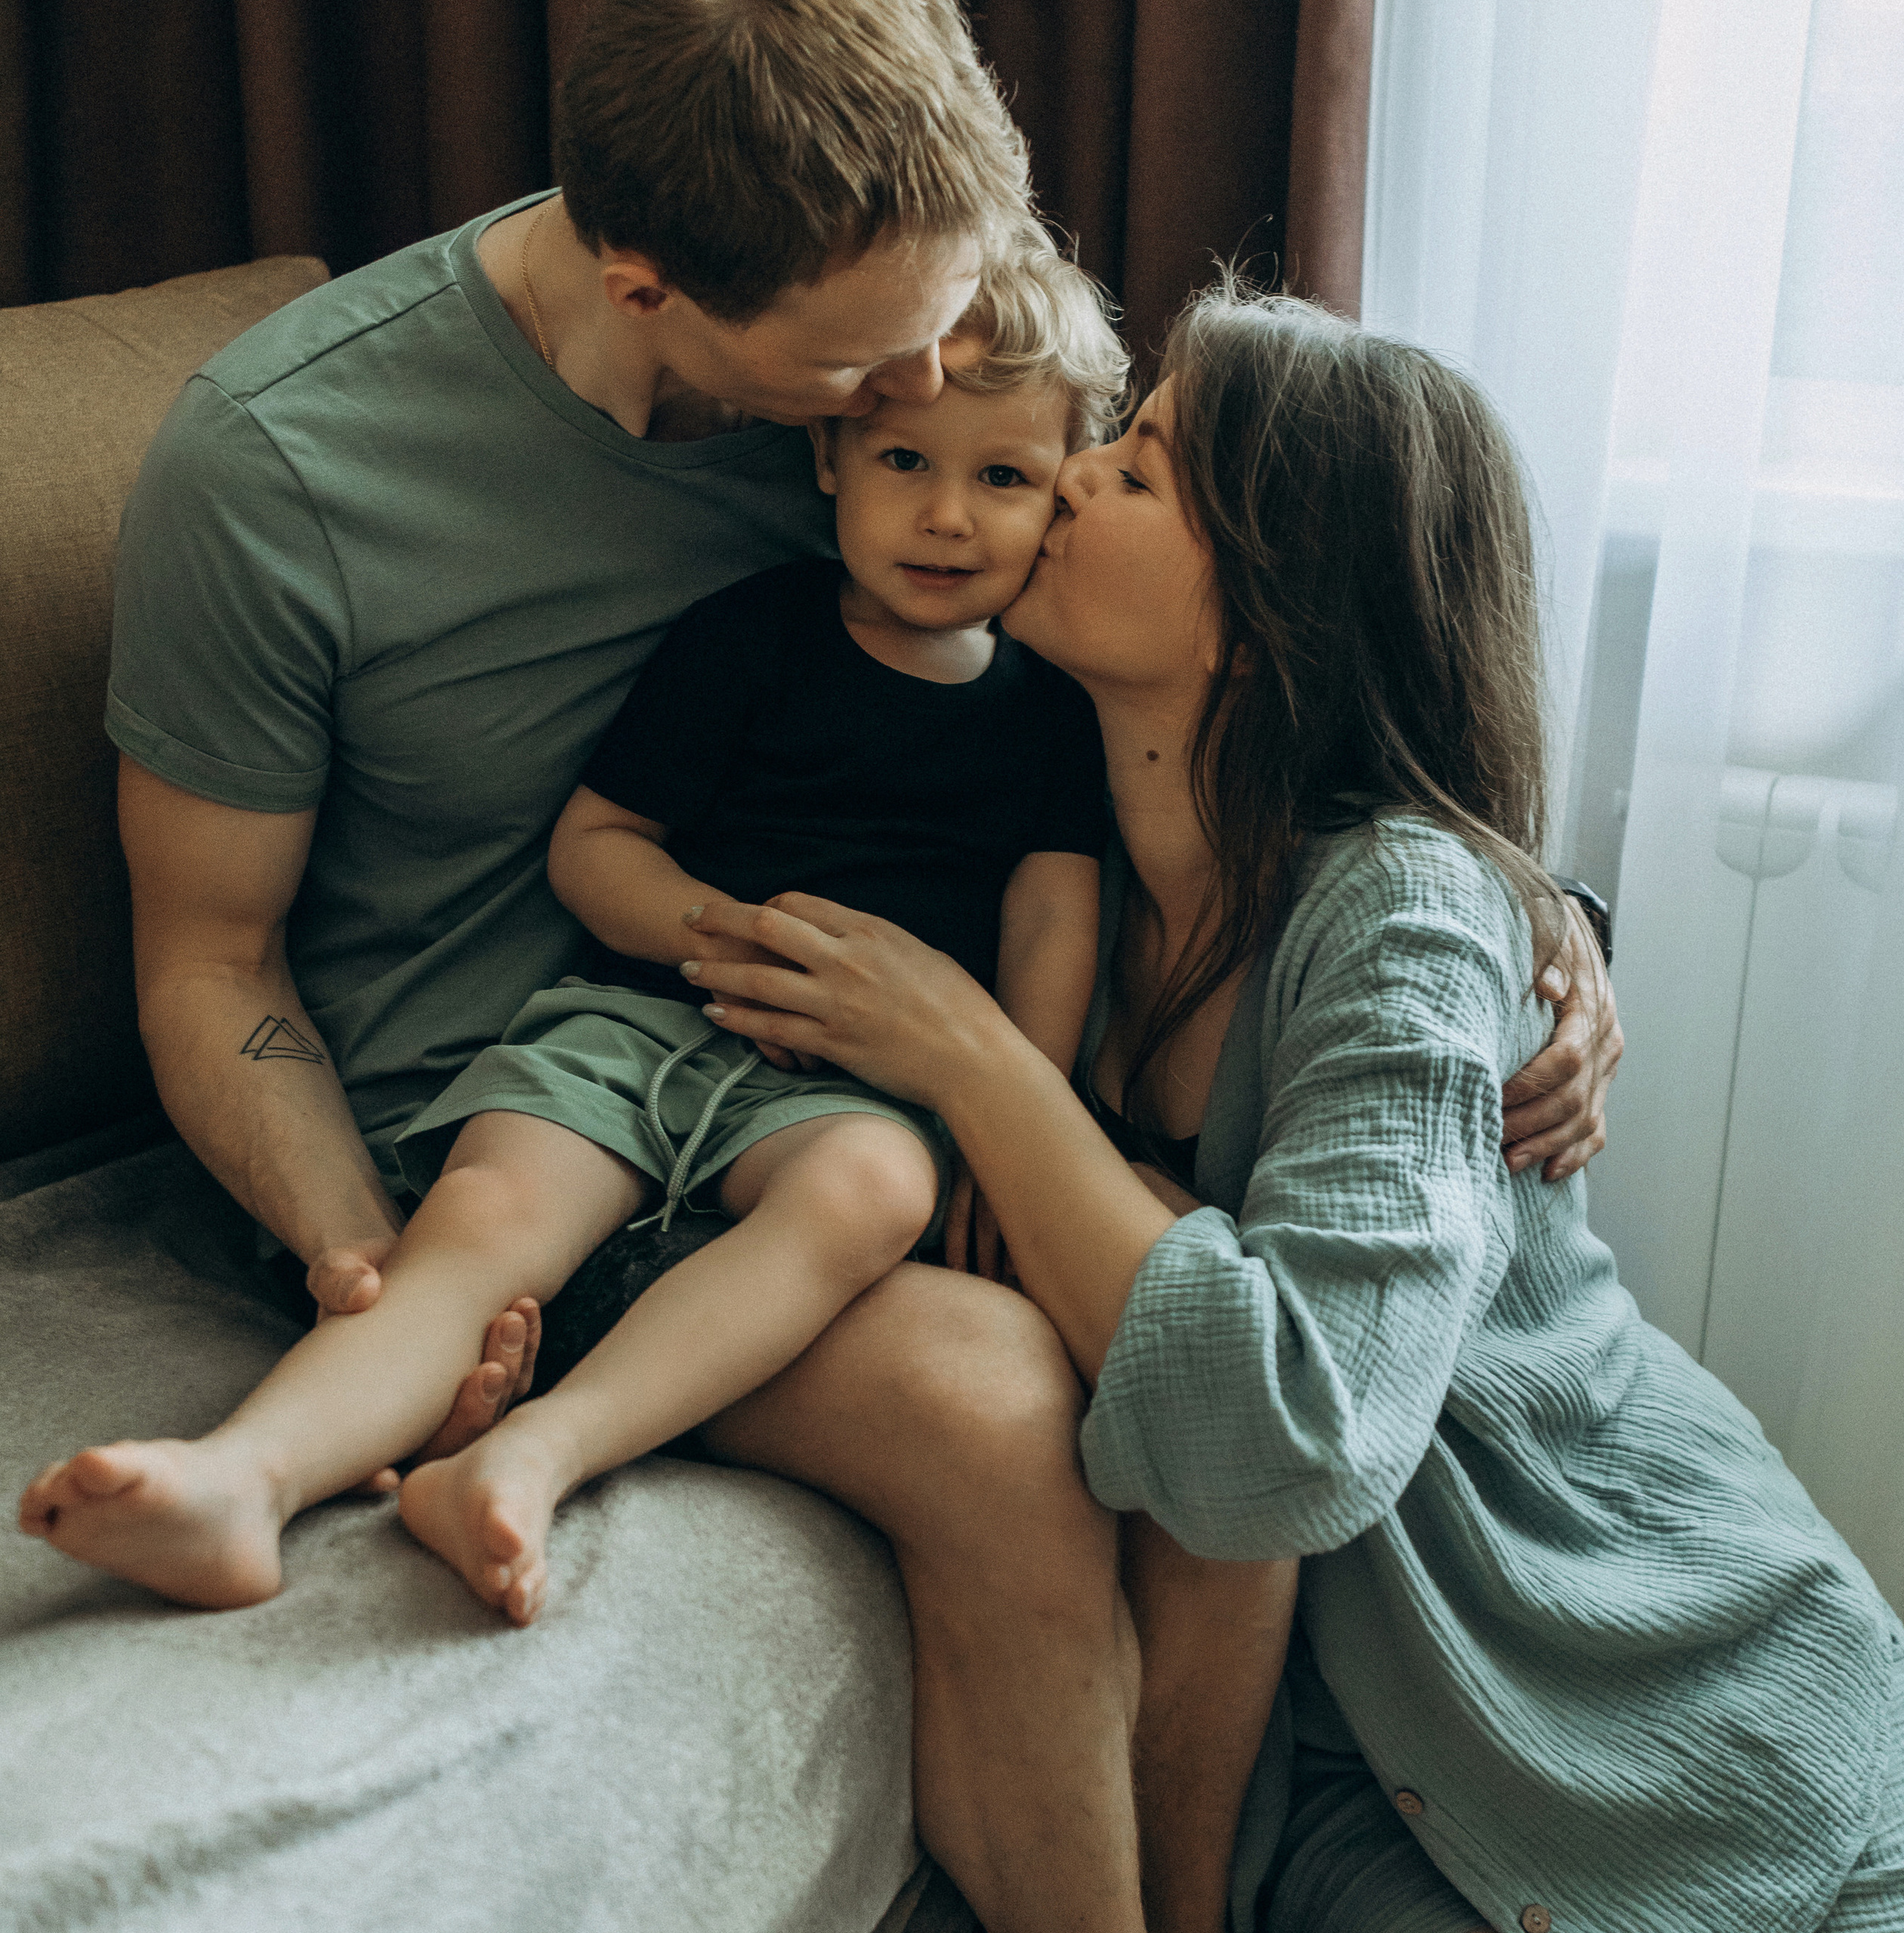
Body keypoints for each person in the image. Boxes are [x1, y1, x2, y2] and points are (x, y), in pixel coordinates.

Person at [79, 0, 1622, 1933]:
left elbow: (1261, 601)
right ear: (649, 292)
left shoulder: (902, 316)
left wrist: (1535, 915)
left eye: (962, 331)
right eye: (866, 385)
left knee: (1175, 1302)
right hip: (507, 1119)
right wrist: (374, 1269)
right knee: (1004, 1400)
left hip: (822, 1099)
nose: (936, 408)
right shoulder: (280, 466)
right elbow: (208, 963)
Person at [672, 286, 1904, 1933]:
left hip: (1674, 1656)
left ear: (1271, 607)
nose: (1063, 482)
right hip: (1379, 1777)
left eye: (1138, 465)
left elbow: (1287, 1436)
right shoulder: (1022, 821)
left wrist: (982, 1065)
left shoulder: (1398, 908)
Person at [19, 251, 1123, 1620]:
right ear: (830, 460)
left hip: (853, 1092)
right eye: (906, 460)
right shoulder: (750, 635)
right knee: (488, 1211)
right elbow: (596, 848)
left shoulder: (1050, 711)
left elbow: (1052, 913)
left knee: (873, 1191)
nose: (947, 516)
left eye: (1003, 478)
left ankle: (537, 1453)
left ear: (1065, 488)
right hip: (640, 1021)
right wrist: (720, 934)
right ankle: (241, 1476)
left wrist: (1015, 1123)